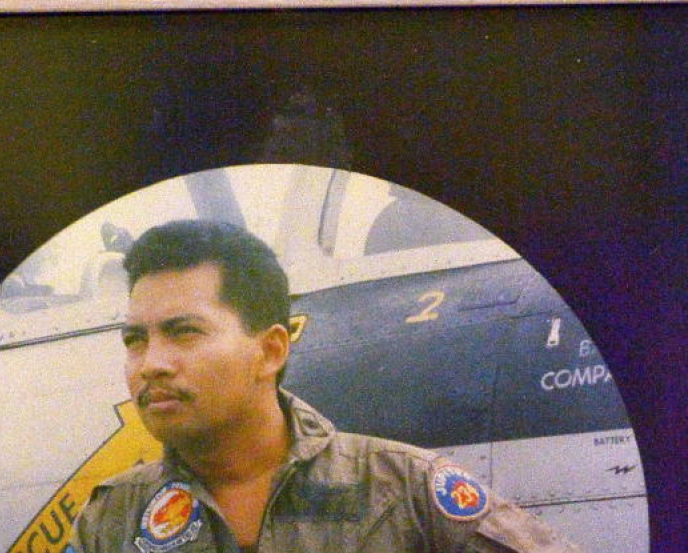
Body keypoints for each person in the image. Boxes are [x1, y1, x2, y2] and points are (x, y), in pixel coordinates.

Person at [67, 219, 581, 553]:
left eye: (184, 332)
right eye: (135, 340)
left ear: (270, 350)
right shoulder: (112, 520)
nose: (151, 363)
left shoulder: (403, 491)